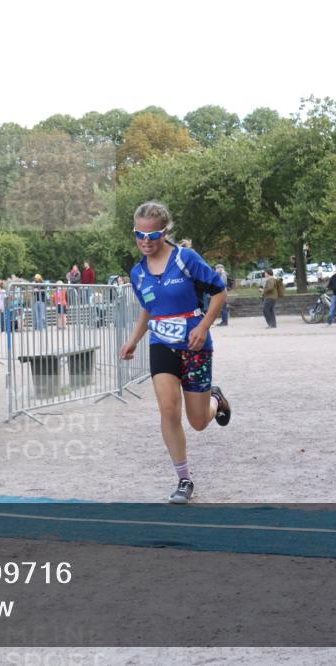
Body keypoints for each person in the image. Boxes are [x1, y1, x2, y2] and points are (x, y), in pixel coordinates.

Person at [119, 201, 230, 504]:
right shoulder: (138, 272)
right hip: (161, 344)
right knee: (168, 410)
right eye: (138, 235)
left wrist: (204, 326)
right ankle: (184, 479)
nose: (144, 242)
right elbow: (148, 308)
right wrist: (134, 339)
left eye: (151, 236)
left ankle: (215, 400)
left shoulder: (186, 259)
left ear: (164, 233)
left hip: (194, 344)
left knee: (197, 421)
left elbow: (219, 291)